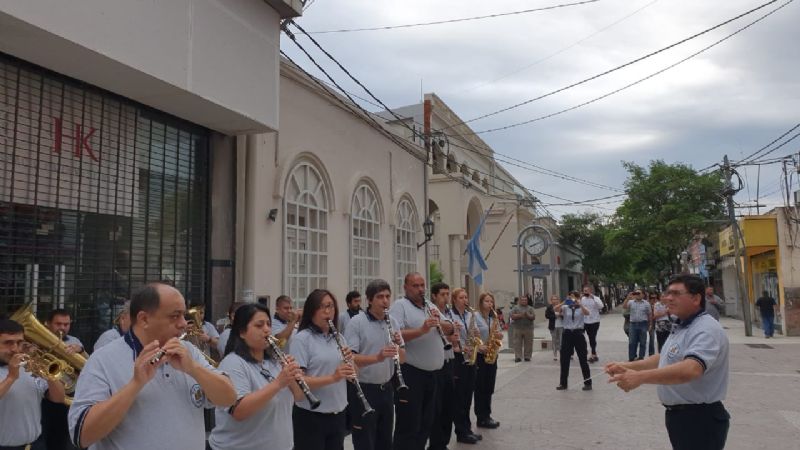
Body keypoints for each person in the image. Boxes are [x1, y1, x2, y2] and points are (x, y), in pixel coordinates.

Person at [67, 283, 237, 450]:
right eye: (175, 316)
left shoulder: (188, 352)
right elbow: (82, 436)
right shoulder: (103, 359)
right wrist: (135, 385)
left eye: (183, 315)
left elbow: (229, 399)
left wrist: (193, 368)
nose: (183, 323)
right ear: (144, 319)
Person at [606, 274, 730, 450]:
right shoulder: (682, 324)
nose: (668, 298)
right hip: (682, 417)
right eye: (668, 293)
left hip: (700, 419)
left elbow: (691, 369)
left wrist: (640, 377)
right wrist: (627, 366)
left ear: (696, 299)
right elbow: (666, 356)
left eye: (676, 293)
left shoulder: (705, 329)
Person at [207, 303, 305, 450]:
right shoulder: (233, 363)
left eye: (268, 324)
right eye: (259, 325)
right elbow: (239, 411)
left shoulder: (275, 362)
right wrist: (278, 383)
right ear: (242, 332)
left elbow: (299, 396)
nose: (266, 330)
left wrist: (293, 377)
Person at [388, 272, 450, 450]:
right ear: (405, 288)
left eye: (422, 285)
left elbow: (450, 328)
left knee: (426, 423)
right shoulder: (400, 306)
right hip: (411, 373)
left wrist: (441, 323)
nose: (420, 289)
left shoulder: (430, 305)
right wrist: (422, 330)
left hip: (432, 375)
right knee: (409, 424)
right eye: (415, 286)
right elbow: (394, 334)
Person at [289, 289, 355, 450]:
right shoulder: (302, 339)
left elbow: (353, 376)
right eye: (322, 307)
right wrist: (333, 378)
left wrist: (351, 362)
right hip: (311, 417)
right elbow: (298, 382)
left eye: (330, 306)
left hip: (338, 415)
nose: (327, 311)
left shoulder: (339, 338)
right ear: (311, 311)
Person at [344, 279, 404, 450]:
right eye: (380, 297)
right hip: (364, 389)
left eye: (387, 296)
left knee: (385, 441)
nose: (385, 301)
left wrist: (398, 345)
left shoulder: (393, 322)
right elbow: (350, 358)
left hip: (387, 389)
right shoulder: (357, 322)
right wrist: (377, 357)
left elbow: (403, 358)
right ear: (369, 300)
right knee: (365, 441)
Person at [1, 319, 66, 450]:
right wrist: (11, 377)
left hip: (35, 445)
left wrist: (49, 373)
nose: (15, 349)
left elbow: (59, 399)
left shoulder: (29, 366)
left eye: (19, 342)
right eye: (8, 343)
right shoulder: (12, 373)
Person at [43, 308, 86, 450]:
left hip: (70, 395)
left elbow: (88, 366)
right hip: (46, 396)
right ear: (48, 323)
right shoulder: (38, 340)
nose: (62, 327)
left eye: (66, 324)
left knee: (66, 438)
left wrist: (81, 351)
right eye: (58, 324)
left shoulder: (74, 341)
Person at [449, 288, 482, 445]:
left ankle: (468, 429)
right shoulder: (450, 315)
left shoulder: (470, 315)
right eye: (461, 297)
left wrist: (476, 334)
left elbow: (475, 334)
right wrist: (461, 347)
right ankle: (461, 431)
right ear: (454, 300)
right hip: (458, 358)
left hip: (470, 357)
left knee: (468, 396)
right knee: (459, 397)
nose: (465, 300)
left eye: (466, 297)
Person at [428, 282, 456, 450]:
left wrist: (454, 337)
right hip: (437, 365)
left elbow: (451, 333)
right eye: (442, 294)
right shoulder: (431, 312)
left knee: (448, 405)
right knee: (436, 407)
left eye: (447, 294)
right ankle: (436, 444)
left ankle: (444, 441)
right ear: (434, 296)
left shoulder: (448, 313)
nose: (446, 298)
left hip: (449, 361)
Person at [473, 292, 502, 428]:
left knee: (489, 386)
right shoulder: (475, 316)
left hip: (491, 354)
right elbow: (472, 334)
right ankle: (481, 417)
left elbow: (498, 334)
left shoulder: (493, 317)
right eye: (487, 301)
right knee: (480, 387)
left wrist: (499, 335)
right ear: (481, 303)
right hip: (480, 355)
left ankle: (487, 415)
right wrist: (479, 346)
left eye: (491, 301)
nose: (490, 304)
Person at [556, 291, 592, 391]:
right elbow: (555, 309)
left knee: (583, 359)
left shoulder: (581, 308)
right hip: (567, 333)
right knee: (564, 359)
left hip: (578, 333)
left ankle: (588, 383)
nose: (573, 299)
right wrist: (564, 302)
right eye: (571, 297)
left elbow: (587, 313)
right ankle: (563, 383)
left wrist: (579, 304)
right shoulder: (565, 307)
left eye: (575, 297)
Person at [623, 290, 651, 361]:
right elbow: (624, 306)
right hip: (633, 324)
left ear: (643, 295)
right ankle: (631, 358)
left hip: (643, 324)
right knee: (632, 342)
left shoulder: (646, 303)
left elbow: (649, 314)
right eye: (636, 293)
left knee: (643, 342)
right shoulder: (631, 302)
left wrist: (650, 324)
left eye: (639, 293)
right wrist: (628, 298)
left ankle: (641, 357)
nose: (637, 295)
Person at [581, 285, 604, 363]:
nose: (585, 292)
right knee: (581, 336)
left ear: (590, 291)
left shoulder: (596, 298)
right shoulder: (582, 299)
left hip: (594, 321)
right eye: (584, 291)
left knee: (592, 338)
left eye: (587, 290)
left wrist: (593, 298)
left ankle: (593, 353)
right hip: (584, 321)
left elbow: (601, 306)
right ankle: (585, 350)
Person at [510, 294, 535, 362]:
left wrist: (527, 315)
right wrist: (520, 315)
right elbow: (512, 316)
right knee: (517, 343)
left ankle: (527, 356)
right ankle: (518, 357)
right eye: (522, 300)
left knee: (528, 343)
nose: (524, 301)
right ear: (520, 301)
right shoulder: (515, 308)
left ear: (527, 301)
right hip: (517, 328)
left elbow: (533, 317)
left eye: (525, 300)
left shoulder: (530, 308)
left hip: (528, 329)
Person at [545, 295, 563, 361]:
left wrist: (561, 315)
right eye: (553, 299)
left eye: (556, 299)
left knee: (561, 341)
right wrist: (555, 316)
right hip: (553, 326)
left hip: (561, 326)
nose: (555, 301)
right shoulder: (549, 307)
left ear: (558, 300)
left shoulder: (562, 307)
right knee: (554, 340)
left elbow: (566, 316)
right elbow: (547, 316)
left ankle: (561, 353)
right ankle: (555, 355)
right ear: (551, 300)